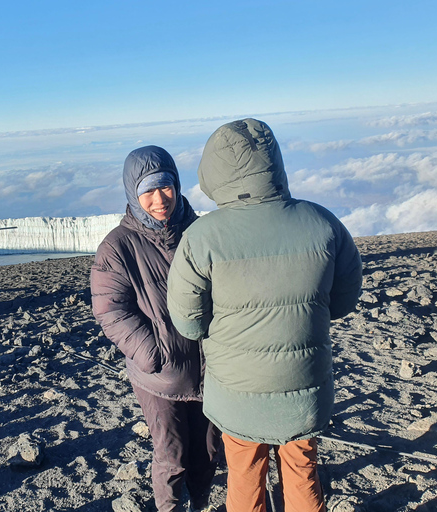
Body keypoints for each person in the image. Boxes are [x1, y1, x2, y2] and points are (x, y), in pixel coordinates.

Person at [167, 119, 362, 512]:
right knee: (302, 471)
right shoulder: (323, 222)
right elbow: (342, 303)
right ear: (274, 162)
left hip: (237, 392)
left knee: (243, 475)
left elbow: (187, 322)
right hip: (304, 386)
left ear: (213, 172)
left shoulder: (201, 238)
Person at [91, 145, 220, 512]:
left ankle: (200, 503)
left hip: (211, 370)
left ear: (177, 185)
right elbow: (111, 311)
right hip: (161, 378)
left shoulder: (201, 232)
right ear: (134, 194)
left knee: (209, 452)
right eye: (148, 190)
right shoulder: (118, 247)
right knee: (171, 455)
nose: (159, 199)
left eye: (165, 187)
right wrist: (155, 354)